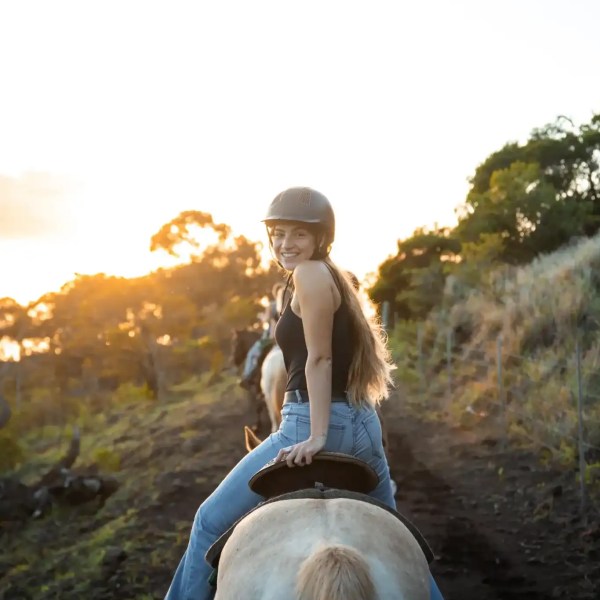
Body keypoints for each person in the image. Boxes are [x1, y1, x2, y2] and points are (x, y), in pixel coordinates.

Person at [164, 187, 445, 600]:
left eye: (298, 234)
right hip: (364, 427)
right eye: (278, 233)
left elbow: (320, 360)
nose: (285, 243)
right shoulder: (332, 277)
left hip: (310, 423)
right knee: (402, 544)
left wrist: (315, 435)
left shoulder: (309, 275)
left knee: (207, 522)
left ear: (319, 238)